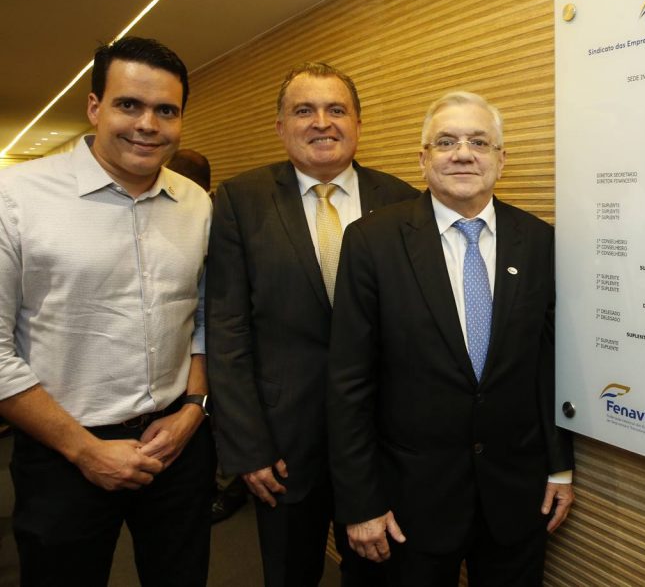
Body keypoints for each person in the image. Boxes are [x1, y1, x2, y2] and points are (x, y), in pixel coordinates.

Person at [328, 91, 575, 586]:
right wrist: (360, 501)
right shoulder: (372, 241)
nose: (463, 154)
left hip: (516, 496)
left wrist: (559, 467)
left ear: (501, 159)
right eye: (446, 142)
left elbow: (548, 364)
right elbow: (349, 380)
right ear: (423, 159)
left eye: (479, 142)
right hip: (408, 503)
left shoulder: (539, 241)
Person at [0, 36, 215, 586]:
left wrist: (193, 408)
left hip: (176, 446)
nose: (147, 124)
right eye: (129, 104)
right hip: (62, 454)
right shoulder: (15, 196)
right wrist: (85, 450)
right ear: (94, 107)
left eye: (165, 110)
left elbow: (203, 318)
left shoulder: (196, 204)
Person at [205, 62, 418, 586]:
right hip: (284, 443)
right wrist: (247, 446)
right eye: (304, 110)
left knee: (380, 574)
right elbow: (227, 328)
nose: (322, 122)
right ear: (281, 127)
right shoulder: (239, 201)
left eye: (336, 109)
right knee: (290, 572)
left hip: (383, 439)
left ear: (358, 123)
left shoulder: (403, 200)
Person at [165, 148, 250, 525]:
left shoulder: (214, 214)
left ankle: (228, 487)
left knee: (220, 420)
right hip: (199, 342)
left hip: (218, 341)